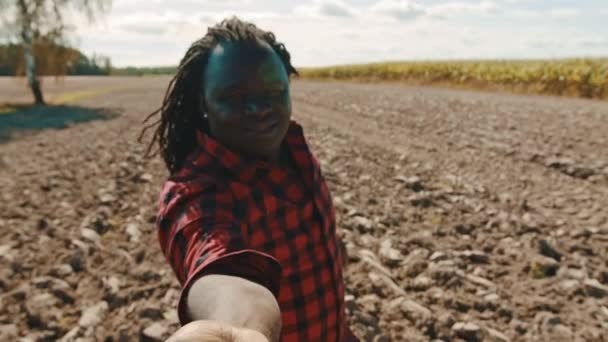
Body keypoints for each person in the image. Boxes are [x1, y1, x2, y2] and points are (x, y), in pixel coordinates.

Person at [140, 17, 357, 342]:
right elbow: (218, 265)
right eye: (233, 96)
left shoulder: (293, 148)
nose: (259, 108)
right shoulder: (196, 192)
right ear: (203, 103)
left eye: (274, 91)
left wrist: (325, 248)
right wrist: (238, 329)